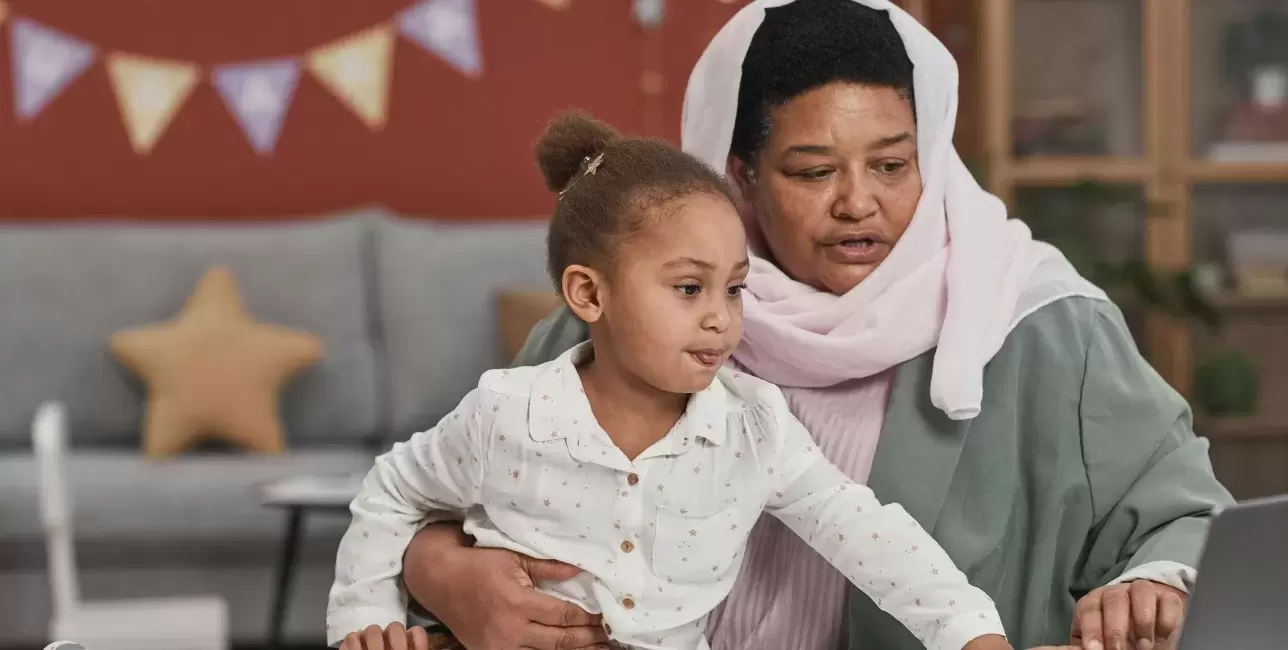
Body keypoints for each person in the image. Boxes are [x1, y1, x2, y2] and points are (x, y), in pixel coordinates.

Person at [399, 2, 1234, 649]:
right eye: (811, 171)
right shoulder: (623, 322)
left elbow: (1185, 513)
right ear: (741, 174)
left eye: (892, 165)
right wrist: (445, 575)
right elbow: (435, 492)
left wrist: (1157, 582)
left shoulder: (1042, 325)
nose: (858, 202)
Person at [328, 111, 1017, 650]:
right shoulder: (509, 414)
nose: (721, 319)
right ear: (589, 295)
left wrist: (971, 634)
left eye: (736, 290)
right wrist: (365, 617)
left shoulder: (754, 428)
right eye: (689, 288)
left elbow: (867, 534)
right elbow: (393, 489)